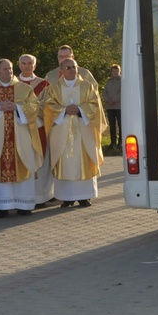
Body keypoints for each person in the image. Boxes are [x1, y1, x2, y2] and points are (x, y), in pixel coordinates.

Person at [0, 59, 43, 218]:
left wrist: (17, 107)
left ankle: (24, 205)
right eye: (5, 69)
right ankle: (2, 207)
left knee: (23, 163)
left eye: (11, 69)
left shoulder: (24, 88)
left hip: (20, 137)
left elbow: (34, 106)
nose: (9, 72)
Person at [44, 58, 107, 208]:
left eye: (74, 67)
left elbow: (95, 104)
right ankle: (66, 197)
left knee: (83, 160)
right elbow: (48, 106)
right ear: (62, 71)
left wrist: (79, 109)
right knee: (64, 161)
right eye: (68, 68)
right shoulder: (55, 88)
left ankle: (85, 197)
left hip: (83, 131)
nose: (72, 70)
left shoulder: (87, 86)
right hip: (62, 132)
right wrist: (64, 110)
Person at [17, 54, 53, 207]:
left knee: (40, 160)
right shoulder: (12, 83)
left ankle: (40, 196)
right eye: (23, 63)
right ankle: (21, 196)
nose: (26, 66)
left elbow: (48, 104)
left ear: (34, 66)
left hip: (38, 126)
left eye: (29, 63)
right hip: (18, 127)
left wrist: (32, 115)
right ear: (19, 65)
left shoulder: (43, 84)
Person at [103, 64, 122, 150]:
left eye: (117, 71)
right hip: (109, 107)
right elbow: (104, 92)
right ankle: (112, 142)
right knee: (112, 125)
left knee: (120, 125)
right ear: (111, 72)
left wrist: (113, 100)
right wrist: (107, 100)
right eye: (113, 71)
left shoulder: (122, 81)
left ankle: (120, 142)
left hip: (119, 106)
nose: (115, 73)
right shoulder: (108, 81)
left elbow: (122, 93)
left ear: (119, 71)